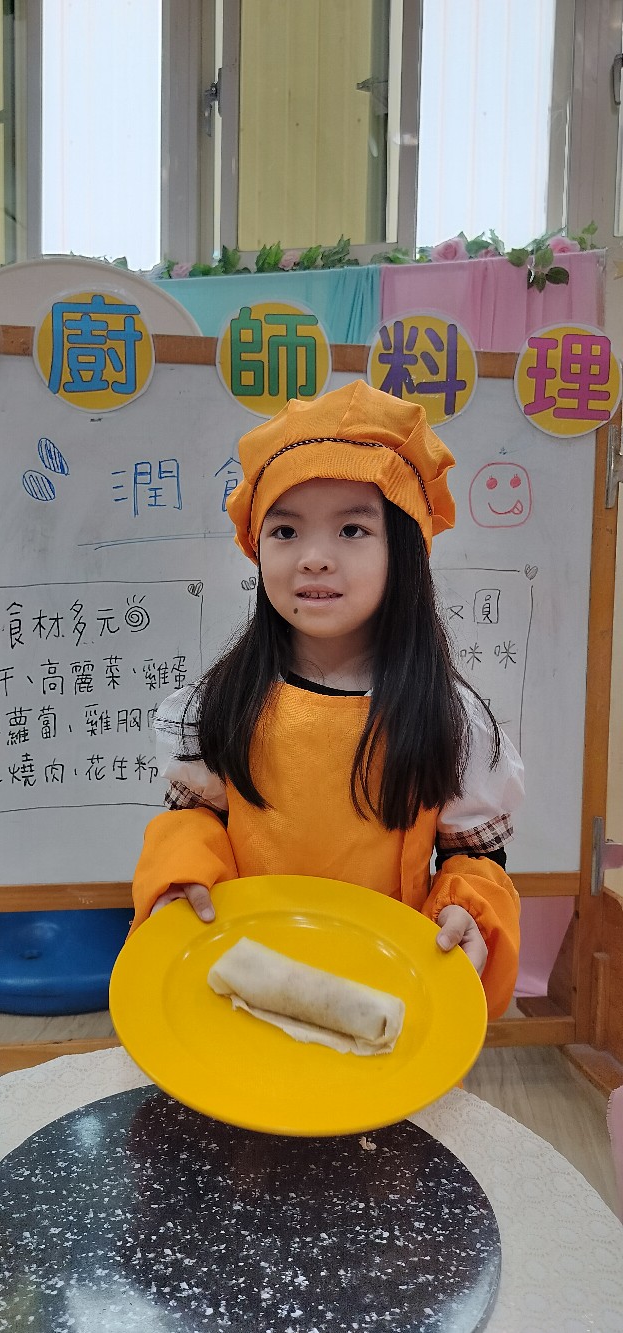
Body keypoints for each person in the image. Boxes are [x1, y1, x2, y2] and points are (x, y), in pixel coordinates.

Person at [130, 379, 523, 1018]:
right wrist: (182, 875)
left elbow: (474, 856)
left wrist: (466, 911)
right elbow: (196, 819)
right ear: (257, 546)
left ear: (405, 549)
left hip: (384, 989)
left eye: (352, 529)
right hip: (245, 981)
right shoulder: (221, 703)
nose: (313, 558)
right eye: (286, 530)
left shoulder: (448, 716)